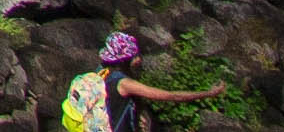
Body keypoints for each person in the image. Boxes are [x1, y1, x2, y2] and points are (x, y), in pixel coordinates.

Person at [66, 34, 238, 132]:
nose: (139, 60)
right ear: (126, 59)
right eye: (135, 56)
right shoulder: (123, 83)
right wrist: (209, 93)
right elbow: (171, 96)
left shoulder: (99, 73)